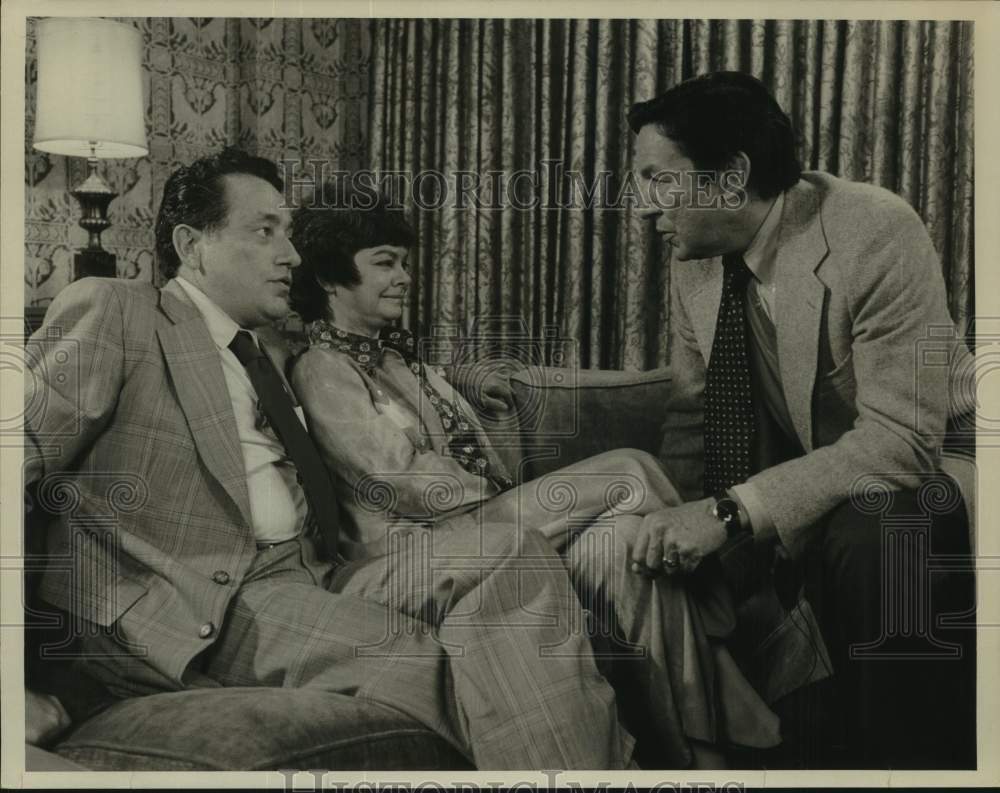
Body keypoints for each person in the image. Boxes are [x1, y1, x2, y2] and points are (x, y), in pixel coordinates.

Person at [22, 147, 638, 770]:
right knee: (442, 665)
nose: (290, 255)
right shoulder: (119, 312)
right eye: (265, 232)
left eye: (288, 234)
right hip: (212, 598)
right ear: (191, 244)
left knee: (511, 550)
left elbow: (367, 375)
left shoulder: (268, 349)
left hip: (326, 570)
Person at [286, 191, 782, 768]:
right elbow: (395, 477)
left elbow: (432, 410)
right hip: (426, 546)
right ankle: (727, 608)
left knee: (624, 541)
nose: (404, 277)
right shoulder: (322, 369)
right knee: (629, 469)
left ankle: (693, 754)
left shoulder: (397, 359)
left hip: (481, 525)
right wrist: (504, 496)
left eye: (404, 262)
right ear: (329, 276)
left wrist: (469, 382)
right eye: (385, 262)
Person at [627, 71, 976, 768]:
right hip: (824, 471)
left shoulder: (871, 228)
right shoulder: (695, 262)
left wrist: (730, 513)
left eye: (660, 179)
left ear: (730, 179)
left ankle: (907, 769)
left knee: (877, 528)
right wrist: (671, 519)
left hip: (946, 459)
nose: (643, 206)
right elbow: (694, 418)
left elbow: (902, 441)